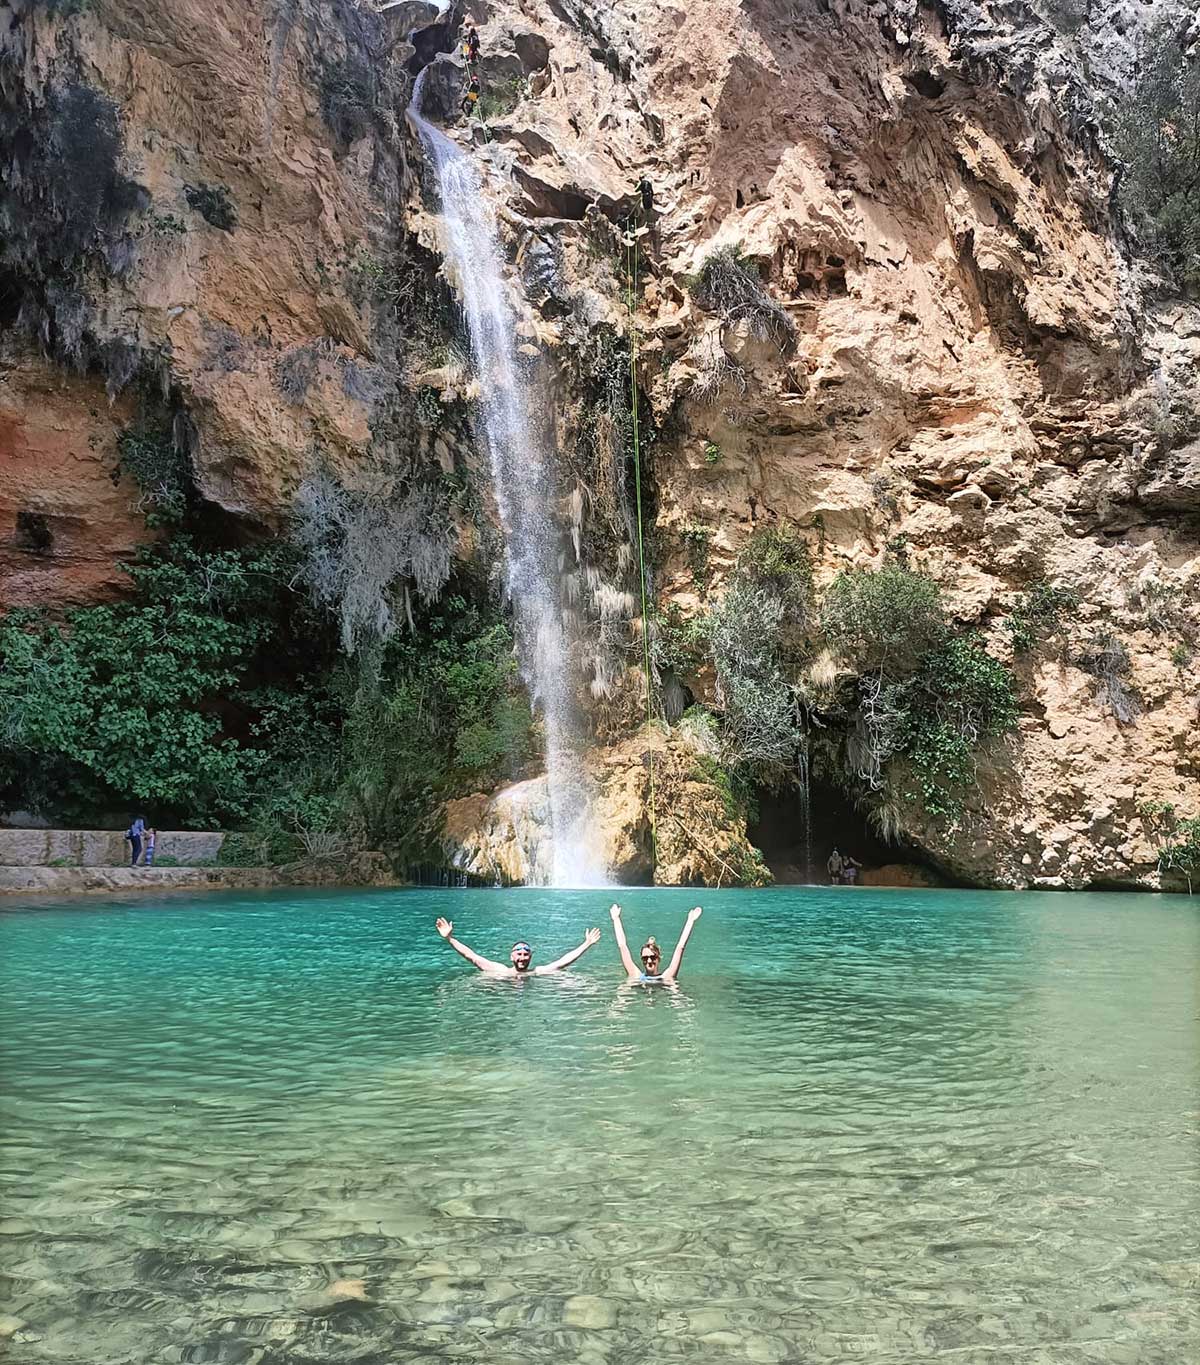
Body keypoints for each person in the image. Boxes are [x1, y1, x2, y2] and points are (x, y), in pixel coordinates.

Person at [435, 917, 601, 977]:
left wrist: (586, 944)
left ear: (531, 957)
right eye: (519, 953)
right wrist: (450, 939)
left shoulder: (537, 972)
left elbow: (563, 962)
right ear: (511, 956)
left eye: (526, 953)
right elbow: (472, 956)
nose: (522, 957)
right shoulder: (500, 971)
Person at [608, 903, 702, 982]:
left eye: (652, 957)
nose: (649, 961)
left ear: (658, 958)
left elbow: (680, 947)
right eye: (645, 958)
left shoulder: (667, 977)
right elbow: (622, 946)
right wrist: (616, 919)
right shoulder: (636, 976)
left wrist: (690, 921)